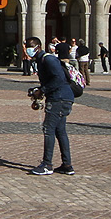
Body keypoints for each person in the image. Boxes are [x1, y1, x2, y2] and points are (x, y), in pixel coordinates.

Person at [27, 36, 75, 175]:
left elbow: (58, 79)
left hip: (59, 99)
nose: (28, 49)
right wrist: (39, 90)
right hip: (60, 97)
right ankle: (67, 165)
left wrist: (43, 90)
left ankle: (47, 164)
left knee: (48, 129)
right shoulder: (41, 60)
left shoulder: (48, 59)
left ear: (38, 46)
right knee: (60, 131)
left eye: (30, 46)